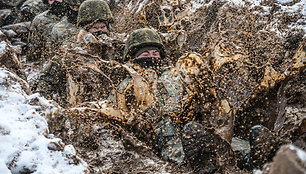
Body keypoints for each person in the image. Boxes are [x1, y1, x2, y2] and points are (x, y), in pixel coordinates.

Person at [35, 0, 114, 107]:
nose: (99, 31)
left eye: (103, 27)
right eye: (95, 28)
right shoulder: (69, 52)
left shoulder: (114, 47)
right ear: (86, 29)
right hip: (76, 105)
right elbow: (46, 79)